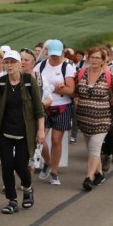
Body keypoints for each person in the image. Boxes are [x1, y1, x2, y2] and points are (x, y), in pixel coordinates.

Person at [0, 50, 45, 213]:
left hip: (24, 132)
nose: (9, 65)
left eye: (13, 62)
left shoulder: (28, 81)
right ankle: (11, 201)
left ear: (19, 64)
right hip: (5, 131)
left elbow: (39, 109)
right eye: (7, 62)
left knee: (20, 165)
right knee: (6, 166)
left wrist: (40, 130)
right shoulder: (1, 83)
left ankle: (27, 189)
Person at [74, 47, 113, 191]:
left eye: (97, 58)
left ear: (103, 60)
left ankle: (88, 178)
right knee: (91, 149)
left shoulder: (109, 76)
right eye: (92, 57)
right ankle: (99, 173)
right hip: (84, 119)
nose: (94, 60)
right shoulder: (81, 73)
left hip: (102, 119)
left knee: (95, 149)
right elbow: (75, 92)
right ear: (88, 58)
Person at [34, 39, 76, 186]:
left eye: (57, 55)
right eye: (52, 55)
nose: (54, 58)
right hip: (45, 106)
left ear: (62, 53)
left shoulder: (68, 67)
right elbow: (36, 86)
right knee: (39, 139)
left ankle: (54, 172)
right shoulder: (41, 65)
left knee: (56, 141)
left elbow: (71, 90)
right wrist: (50, 88)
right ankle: (48, 161)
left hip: (62, 106)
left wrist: (57, 88)